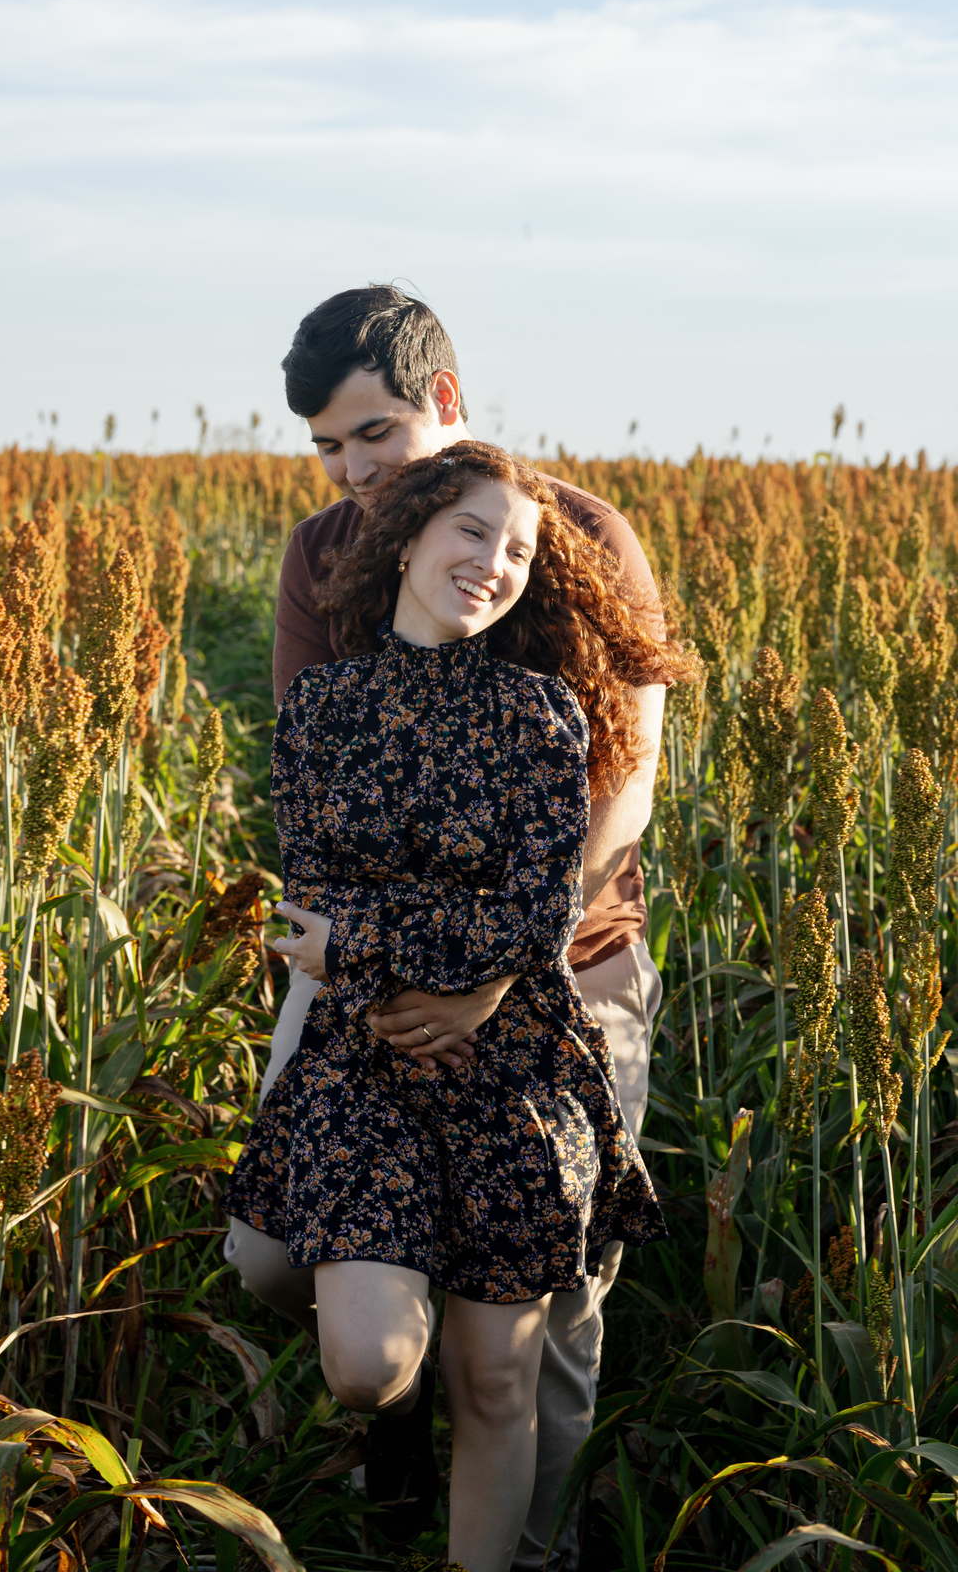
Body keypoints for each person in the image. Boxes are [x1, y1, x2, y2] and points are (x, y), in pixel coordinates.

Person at [224, 286, 668, 1568]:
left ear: (448, 402)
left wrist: (499, 970)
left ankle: (528, 1552)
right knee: (273, 1251)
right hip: (364, 973)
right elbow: (317, 811)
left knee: (544, 1326)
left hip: (570, 967)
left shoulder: (578, 533)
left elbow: (628, 782)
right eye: (327, 445)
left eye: (374, 433)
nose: (352, 469)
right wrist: (385, 964)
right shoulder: (320, 554)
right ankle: (397, 1417)